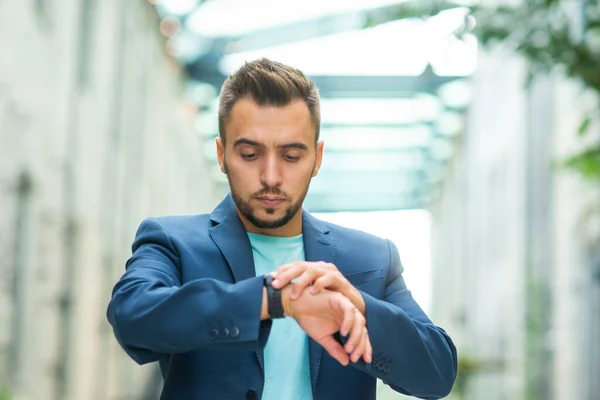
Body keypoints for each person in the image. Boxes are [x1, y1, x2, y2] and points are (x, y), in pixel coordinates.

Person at [107, 58, 457, 400]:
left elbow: (437, 375)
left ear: (317, 158)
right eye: (249, 154)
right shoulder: (174, 242)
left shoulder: (372, 257)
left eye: (291, 156)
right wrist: (275, 299)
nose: (271, 177)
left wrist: (358, 309)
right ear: (221, 154)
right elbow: (133, 317)